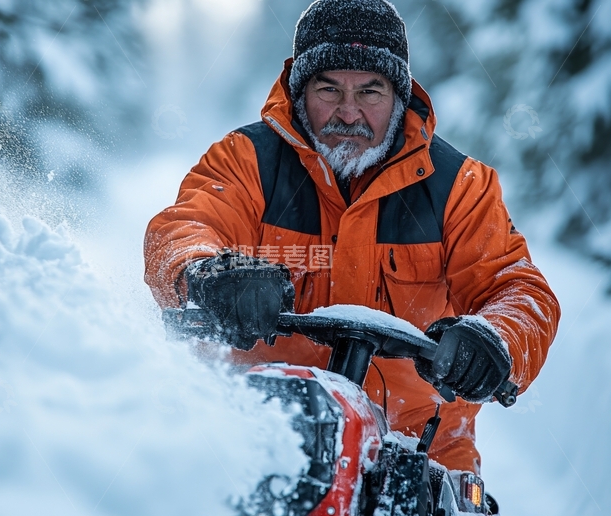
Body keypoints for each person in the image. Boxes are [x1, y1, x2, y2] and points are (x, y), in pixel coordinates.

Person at [144, 0, 560, 477]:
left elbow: (519, 290)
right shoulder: (246, 160)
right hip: (251, 434)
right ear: (300, 93)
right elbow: (182, 229)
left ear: (398, 97)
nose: (349, 112)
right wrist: (209, 273)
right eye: (329, 88)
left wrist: (496, 339)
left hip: (421, 459)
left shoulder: (461, 187)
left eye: (370, 91)